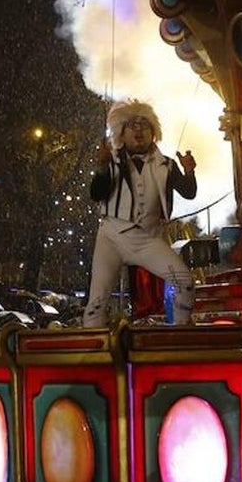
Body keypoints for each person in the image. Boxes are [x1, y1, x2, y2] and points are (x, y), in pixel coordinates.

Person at [82, 100, 198, 327]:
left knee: (185, 282)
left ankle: (181, 331)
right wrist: (102, 169)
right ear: (120, 134)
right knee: (97, 301)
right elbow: (97, 193)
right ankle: (93, 350)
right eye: (132, 126)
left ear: (154, 132)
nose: (138, 131)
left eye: (144, 125)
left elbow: (189, 192)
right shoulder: (112, 161)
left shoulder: (167, 164)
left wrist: (190, 171)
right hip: (112, 238)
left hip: (148, 239)